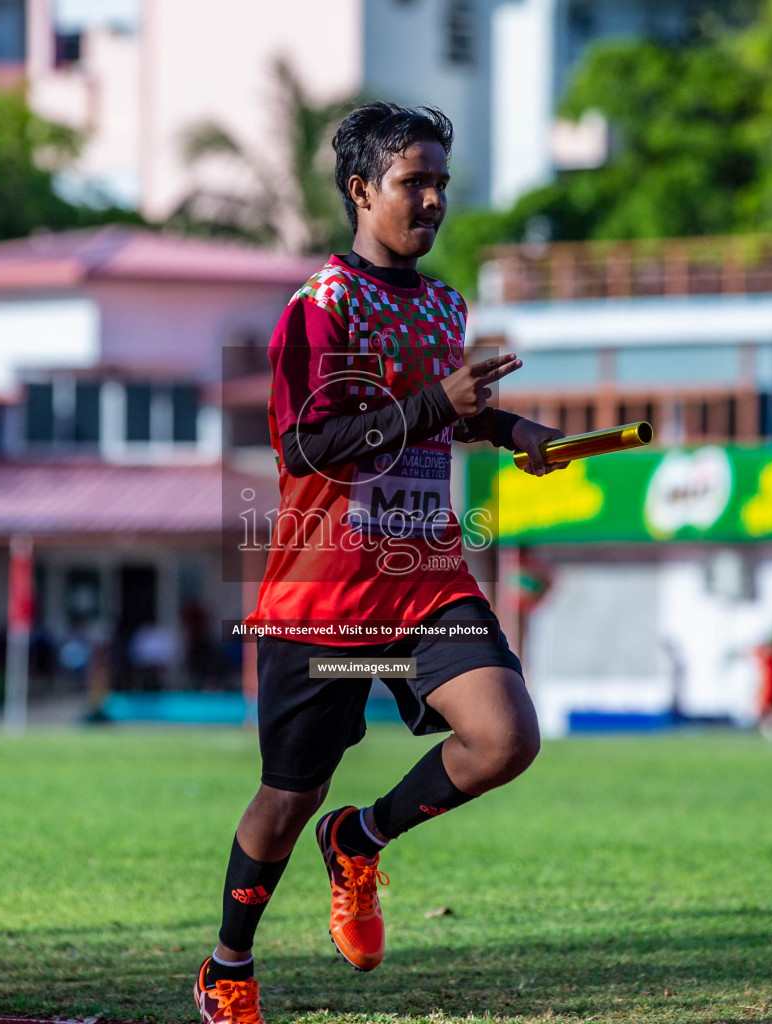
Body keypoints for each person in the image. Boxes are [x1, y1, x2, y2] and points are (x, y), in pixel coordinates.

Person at [192, 102, 567, 1024]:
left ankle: (360, 840)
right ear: (362, 190)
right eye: (415, 181)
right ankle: (227, 968)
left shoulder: (444, 303)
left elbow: (446, 411)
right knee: (288, 794)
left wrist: (517, 432)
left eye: (441, 180)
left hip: (426, 576)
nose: (434, 198)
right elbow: (310, 447)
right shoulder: (318, 310)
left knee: (505, 737)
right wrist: (439, 403)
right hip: (321, 598)